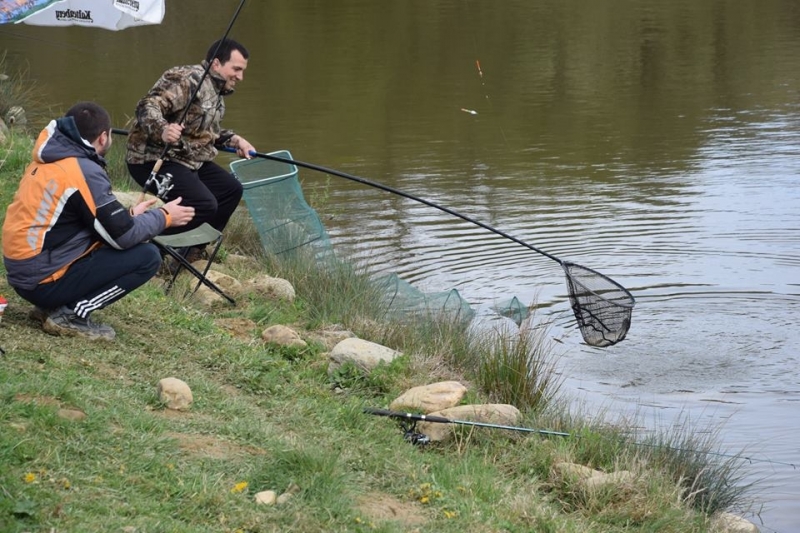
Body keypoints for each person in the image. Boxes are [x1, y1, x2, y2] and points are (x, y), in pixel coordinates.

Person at [2, 102, 195, 341]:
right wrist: (164, 217)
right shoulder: (83, 170)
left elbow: (90, 221)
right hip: (41, 279)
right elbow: (122, 238)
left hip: (25, 273)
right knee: (147, 257)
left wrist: (132, 216)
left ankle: (51, 306)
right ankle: (70, 315)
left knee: (118, 238)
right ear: (103, 137)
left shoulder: (52, 158)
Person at [125, 38, 256, 253]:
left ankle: (192, 250)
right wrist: (163, 129)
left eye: (242, 71)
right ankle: (148, 246)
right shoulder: (186, 80)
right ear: (216, 64)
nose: (240, 77)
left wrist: (235, 140)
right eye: (236, 69)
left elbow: (204, 134)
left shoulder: (216, 91)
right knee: (204, 204)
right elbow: (147, 105)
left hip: (188, 161)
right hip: (152, 159)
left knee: (230, 190)